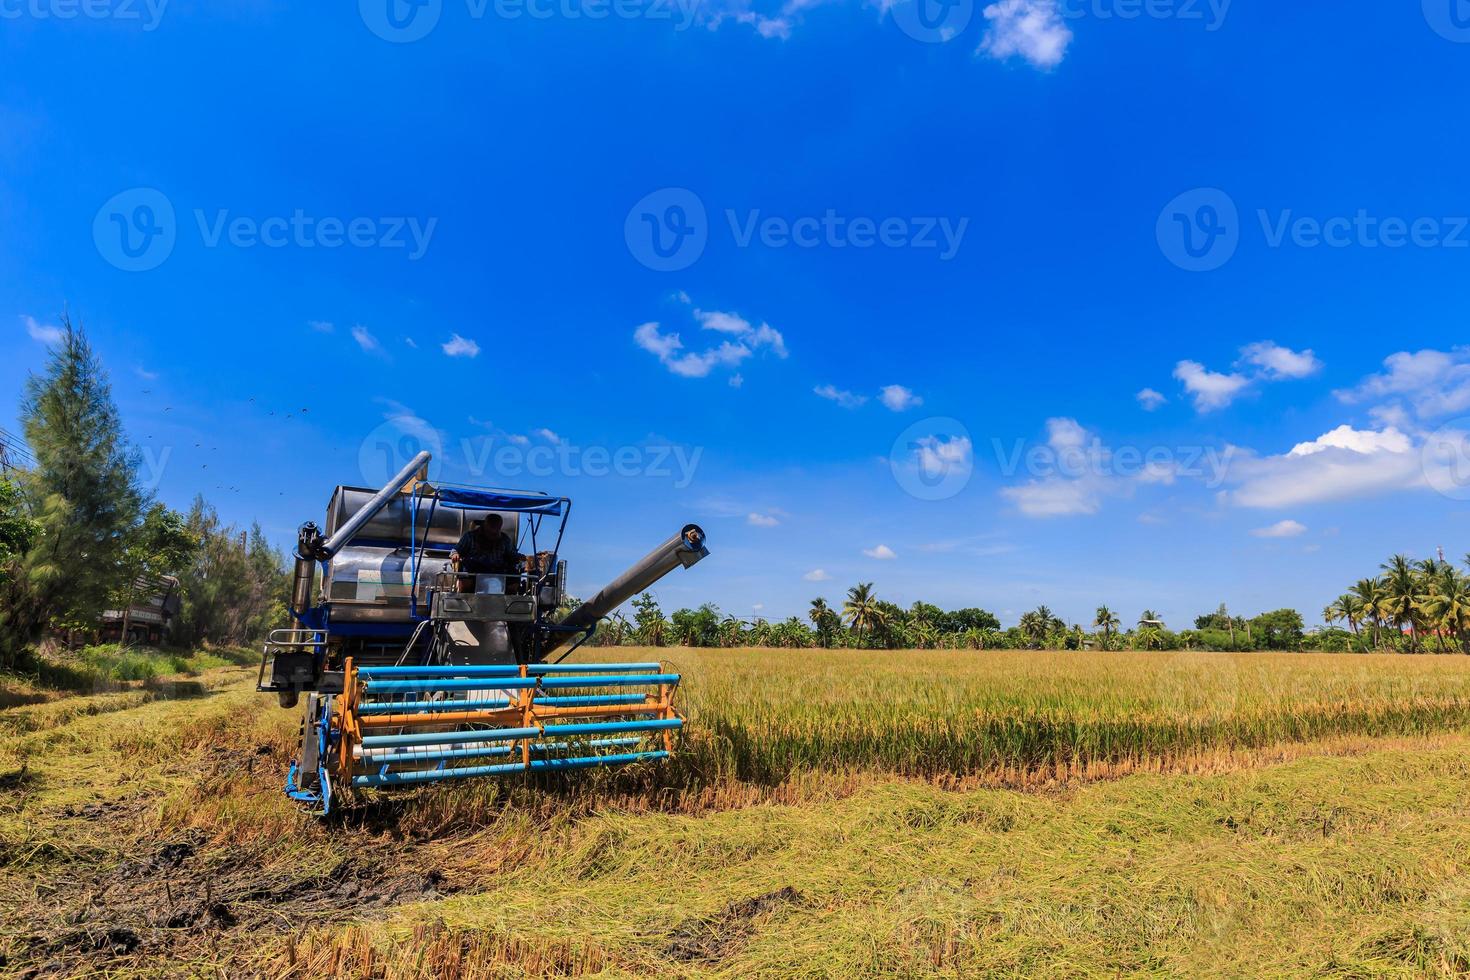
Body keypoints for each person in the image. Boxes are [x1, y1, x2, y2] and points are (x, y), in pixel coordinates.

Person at [451, 514, 520, 574]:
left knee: (513, 571)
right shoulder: (470, 536)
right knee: (465, 567)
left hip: (498, 573)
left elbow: (513, 555)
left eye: (496, 530)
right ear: (484, 526)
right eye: (491, 530)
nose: (493, 533)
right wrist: (455, 554)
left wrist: (521, 557)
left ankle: (510, 589)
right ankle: (464, 588)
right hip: (473, 572)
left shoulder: (504, 539)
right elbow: (455, 550)